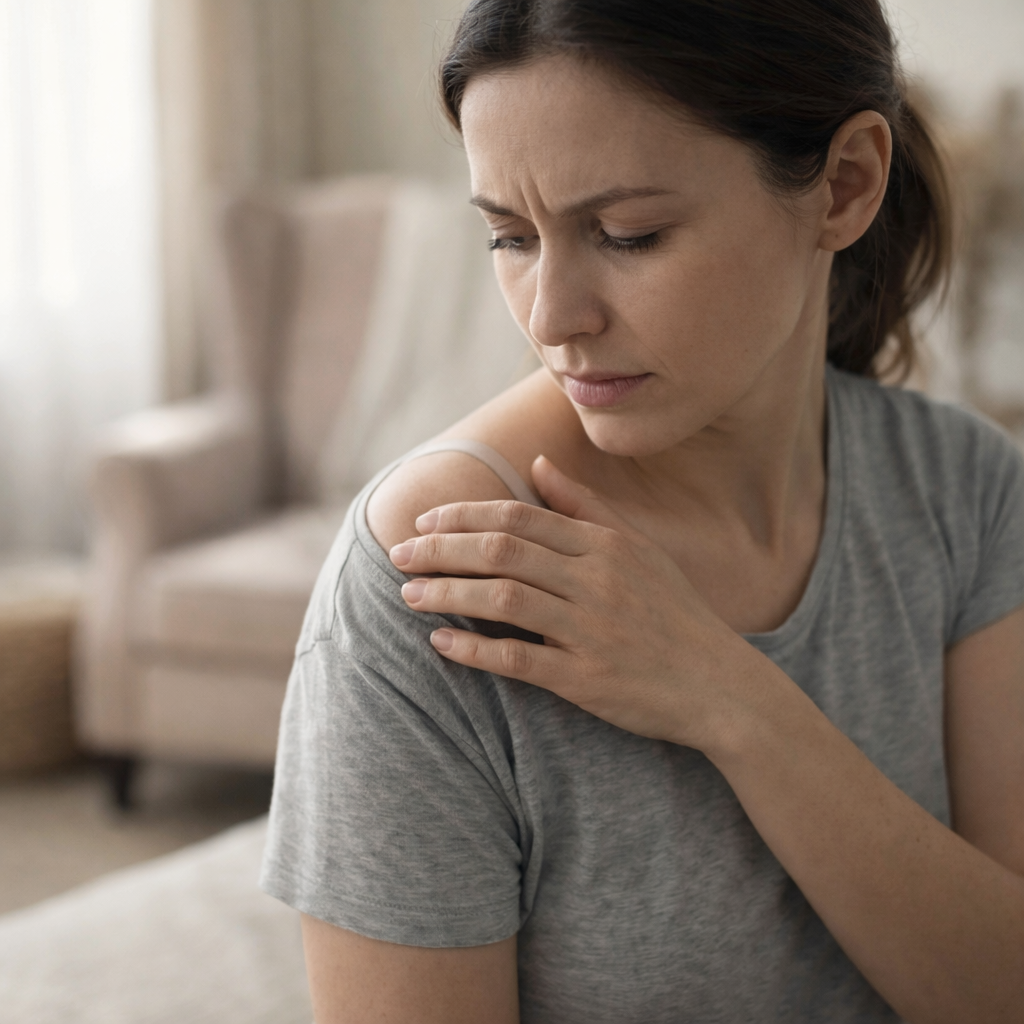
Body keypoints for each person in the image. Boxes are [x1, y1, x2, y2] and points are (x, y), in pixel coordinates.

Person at [259, 1, 1024, 1021]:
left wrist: (730, 700)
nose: (550, 318)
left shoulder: (963, 488)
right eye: (510, 237)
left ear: (844, 186)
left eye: (628, 234)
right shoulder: (433, 581)